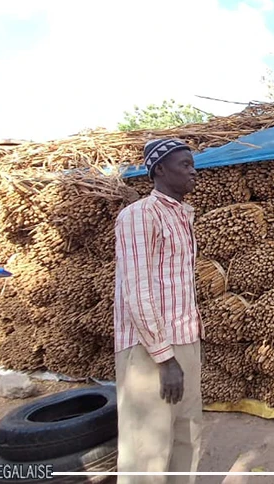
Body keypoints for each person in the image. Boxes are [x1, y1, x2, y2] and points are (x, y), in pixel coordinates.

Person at [113, 138, 202, 483]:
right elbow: (138, 291)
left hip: (185, 338)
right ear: (160, 170)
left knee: (186, 435)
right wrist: (165, 359)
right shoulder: (139, 216)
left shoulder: (181, 215)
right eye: (185, 165)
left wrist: (186, 351)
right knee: (147, 449)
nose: (193, 171)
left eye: (192, 164)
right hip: (150, 349)